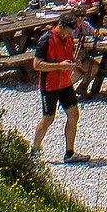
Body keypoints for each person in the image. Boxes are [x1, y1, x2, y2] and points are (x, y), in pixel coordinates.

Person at [29, 11, 88, 163]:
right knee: (48, 118)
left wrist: (75, 62)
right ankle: (33, 152)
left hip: (65, 83)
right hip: (49, 85)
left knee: (74, 114)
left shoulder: (68, 38)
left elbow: (69, 55)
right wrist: (59, 66)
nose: (70, 34)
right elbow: (37, 64)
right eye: (68, 31)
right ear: (60, 26)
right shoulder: (46, 40)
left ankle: (69, 153)